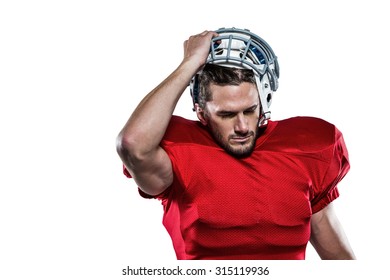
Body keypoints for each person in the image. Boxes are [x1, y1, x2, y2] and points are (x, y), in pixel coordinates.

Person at [116, 27, 356, 260]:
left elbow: (337, 257)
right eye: (227, 115)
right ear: (201, 113)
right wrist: (190, 63)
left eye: (250, 110)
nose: (242, 126)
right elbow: (133, 144)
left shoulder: (306, 149)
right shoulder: (179, 152)